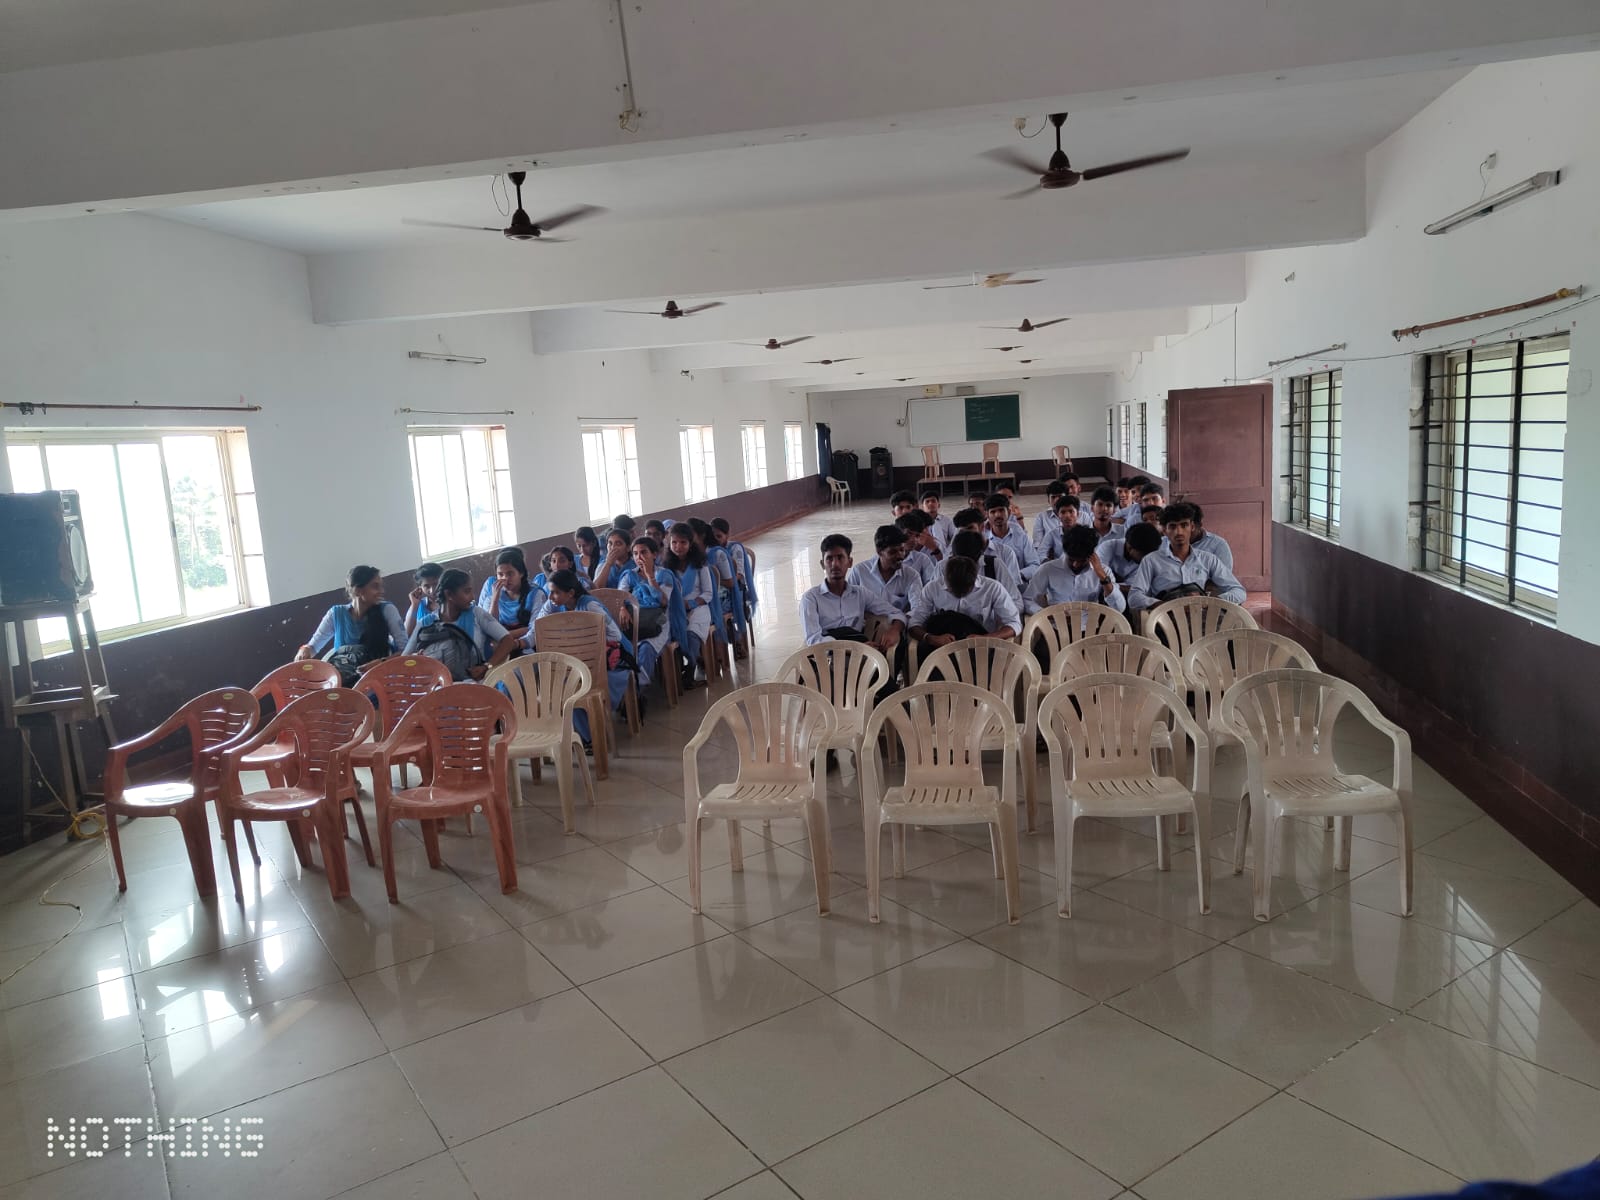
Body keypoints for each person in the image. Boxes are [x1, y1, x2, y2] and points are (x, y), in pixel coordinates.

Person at [528, 568, 636, 740]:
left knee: (579, 685)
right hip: (580, 659)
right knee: (565, 684)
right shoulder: (553, 605)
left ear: (570, 593)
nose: (550, 597)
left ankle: (592, 737)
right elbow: (537, 628)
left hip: (612, 659)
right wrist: (522, 642)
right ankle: (585, 736)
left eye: (555, 592)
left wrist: (581, 644)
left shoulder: (590, 606)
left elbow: (615, 636)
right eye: (550, 592)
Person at [297, 564, 406, 684]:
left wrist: (380, 663)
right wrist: (304, 650)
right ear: (358, 591)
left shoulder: (387, 610)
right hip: (345, 680)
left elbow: (405, 650)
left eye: (380, 586)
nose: (381, 591)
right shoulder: (336, 614)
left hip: (378, 680)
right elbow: (313, 647)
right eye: (375, 586)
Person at [405, 568, 518, 682]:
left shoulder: (476, 614)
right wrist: (417, 658)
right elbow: (405, 659)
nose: (472, 597)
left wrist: (487, 666)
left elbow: (507, 640)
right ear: (449, 594)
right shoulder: (425, 623)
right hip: (438, 686)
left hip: (476, 683)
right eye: (467, 591)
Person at [1128, 502, 1246, 611]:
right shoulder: (1151, 560)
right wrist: (1164, 606)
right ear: (1164, 530)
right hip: (1166, 619)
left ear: (1192, 527)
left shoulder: (1207, 559)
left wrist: (1210, 602)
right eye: (1172, 526)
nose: (1179, 532)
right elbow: (1134, 597)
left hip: (1201, 616)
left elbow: (1239, 591)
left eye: (1184, 525)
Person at [799, 534, 903, 650]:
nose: (835, 564)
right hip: (827, 655)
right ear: (822, 564)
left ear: (850, 562)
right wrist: (854, 648)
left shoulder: (860, 594)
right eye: (829, 559)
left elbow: (896, 612)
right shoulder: (811, 599)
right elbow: (814, 640)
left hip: (861, 654)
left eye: (840, 558)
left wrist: (894, 630)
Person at [909, 550, 1021, 648]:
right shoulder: (932, 588)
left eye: (965, 590)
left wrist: (986, 638)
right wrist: (932, 638)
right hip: (941, 647)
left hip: (981, 647)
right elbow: (914, 624)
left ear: (974, 579)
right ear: (945, 580)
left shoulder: (993, 588)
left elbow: (1014, 623)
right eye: (953, 590)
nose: (960, 595)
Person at [619, 536, 680, 691]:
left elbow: (663, 602)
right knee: (620, 649)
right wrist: (622, 608)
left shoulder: (664, 575)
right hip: (634, 623)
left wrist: (650, 577)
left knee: (645, 648)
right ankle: (625, 690)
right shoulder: (629, 575)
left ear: (654, 554)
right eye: (635, 553)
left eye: (644, 552)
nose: (639, 557)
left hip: (658, 623)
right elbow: (620, 597)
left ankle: (639, 690)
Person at [1027, 526, 1127, 613]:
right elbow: (1028, 599)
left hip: (1090, 626)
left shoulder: (1103, 571)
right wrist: (1047, 615)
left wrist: (1102, 577)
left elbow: (1119, 608)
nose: (1075, 565)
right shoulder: (1048, 569)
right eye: (1071, 559)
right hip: (1056, 625)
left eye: (1082, 561)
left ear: (1092, 555)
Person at [662, 523, 714, 689]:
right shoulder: (666, 567)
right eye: (674, 542)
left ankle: (690, 671)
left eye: (683, 542)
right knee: (673, 632)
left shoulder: (700, 564)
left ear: (690, 544)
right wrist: (678, 606)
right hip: (675, 610)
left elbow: (708, 593)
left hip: (698, 607)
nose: (678, 546)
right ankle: (693, 660)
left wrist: (690, 603)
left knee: (691, 633)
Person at [952, 509, 1023, 606]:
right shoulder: (949, 562)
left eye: (970, 529)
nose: (966, 534)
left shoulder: (1002, 556)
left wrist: (1000, 612)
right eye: (962, 531)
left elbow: (1015, 599)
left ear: (982, 527)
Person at [847, 525, 921, 615]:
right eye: (892, 552)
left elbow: (918, 608)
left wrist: (903, 620)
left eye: (902, 550)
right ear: (879, 552)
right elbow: (847, 603)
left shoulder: (912, 576)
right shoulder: (859, 572)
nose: (900, 555)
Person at [486, 548, 545, 642]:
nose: (505, 578)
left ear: (521, 573)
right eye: (500, 574)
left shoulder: (535, 594)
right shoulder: (494, 595)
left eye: (510, 574)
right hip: (502, 644)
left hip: (529, 643)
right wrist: (495, 600)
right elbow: (490, 628)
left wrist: (502, 636)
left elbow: (535, 629)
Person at [985, 493, 1039, 582]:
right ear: (987, 515)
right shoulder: (983, 539)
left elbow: (1035, 565)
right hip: (992, 587)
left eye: (1001, 510)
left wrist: (1016, 576)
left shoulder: (1021, 535)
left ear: (1009, 512)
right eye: (993, 512)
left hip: (1019, 585)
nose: (998, 515)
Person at [1098, 521, 1163, 587]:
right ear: (1130, 547)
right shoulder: (1106, 548)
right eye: (1144, 554)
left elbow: (1132, 588)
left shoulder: (1144, 561)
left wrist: (1109, 583)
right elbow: (1097, 578)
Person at [895, 510, 943, 585]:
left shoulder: (923, 558)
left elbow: (934, 584)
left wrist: (934, 549)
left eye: (917, 535)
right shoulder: (884, 556)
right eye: (909, 533)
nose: (913, 539)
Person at [1189, 503, 1236, 571]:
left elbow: (1224, 575)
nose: (1180, 532)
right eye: (1174, 527)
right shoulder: (1172, 543)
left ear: (1199, 525)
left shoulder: (1218, 545)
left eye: (1185, 526)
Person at [404, 561, 443, 637]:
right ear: (420, 588)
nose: (432, 590)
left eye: (436, 584)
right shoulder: (418, 605)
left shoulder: (451, 602)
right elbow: (407, 634)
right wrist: (414, 605)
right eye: (427, 586)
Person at [1031, 481, 1068, 559]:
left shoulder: (1080, 516)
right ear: (1048, 500)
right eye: (1053, 497)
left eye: (1060, 496)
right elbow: (1037, 545)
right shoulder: (1041, 517)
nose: (1056, 500)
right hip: (1050, 560)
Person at [918, 488, 956, 553]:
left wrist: (948, 552)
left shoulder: (947, 521)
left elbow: (954, 538)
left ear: (939, 505)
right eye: (927, 502)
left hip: (943, 553)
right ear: (922, 507)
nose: (930, 504)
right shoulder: (918, 522)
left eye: (933, 501)